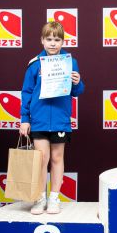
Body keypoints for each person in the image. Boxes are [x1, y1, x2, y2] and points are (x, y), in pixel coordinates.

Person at [20, 21, 84, 215]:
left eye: (57, 40)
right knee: (41, 159)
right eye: (49, 39)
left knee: (57, 158)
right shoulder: (34, 64)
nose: (53, 43)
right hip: (39, 120)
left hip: (59, 120)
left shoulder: (70, 62)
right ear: (42, 40)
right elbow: (27, 92)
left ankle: (54, 197)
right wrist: (25, 118)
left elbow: (77, 92)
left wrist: (78, 82)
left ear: (63, 41)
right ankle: (40, 198)